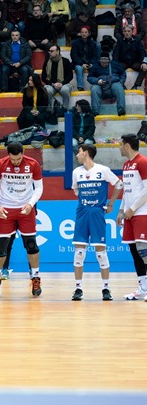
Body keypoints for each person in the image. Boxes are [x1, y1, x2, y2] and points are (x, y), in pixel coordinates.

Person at [0, 142, 44, 298]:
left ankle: (35, 277)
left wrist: (30, 204)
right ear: (8, 155)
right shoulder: (0, 164)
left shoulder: (32, 164)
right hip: (6, 209)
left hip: (25, 209)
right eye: (13, 159)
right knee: (1, 247)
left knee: (31, 244)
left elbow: (39, 188)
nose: (16, 162)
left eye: (18, 159)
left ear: (23, 153)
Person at [71, 144, 122, 301]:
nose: (77, 155)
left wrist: (111, 204)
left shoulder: (102, 170)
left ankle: (106, 288)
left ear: (86, 153)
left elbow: (119, 185)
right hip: (82, 212)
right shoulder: (76, 172)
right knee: (79, 253)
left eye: (79, 153)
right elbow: (76, 191)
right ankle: (78, 288)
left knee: (101, 253)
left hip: (97, 213)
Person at [116, 134, 147, 301]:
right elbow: (127, 191)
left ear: (127, 146)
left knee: (144, 251)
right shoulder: (126, 165)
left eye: (121, 144)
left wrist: (133, 209)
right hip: (129, 214)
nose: (119, 147)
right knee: (134, 252)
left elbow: (146, 190)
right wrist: (122, 210)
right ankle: (143, 288)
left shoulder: (142, 162)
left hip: (142, 213)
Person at [87, 52, 126, 116]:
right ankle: (95, 111)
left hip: (114, 83)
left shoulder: (115, 65)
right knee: (94, 89)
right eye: (102, 62)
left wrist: (121, 82)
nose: (104, 64)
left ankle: (121, 109)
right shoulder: (95, 66)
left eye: (106, 62)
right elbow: (89, 77)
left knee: (119, 88)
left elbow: (123, 73)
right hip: (100, 85)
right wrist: (97, 81)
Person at [113, 25, 147, 90]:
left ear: (132, 32)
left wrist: (144, 62)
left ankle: (136, 85)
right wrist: (115, 64)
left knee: (144, 67)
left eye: (128, 31)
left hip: (135, 62)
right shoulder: (120, 41)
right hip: (123, 62)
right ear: (123, 32)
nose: (127, 33)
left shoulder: (137, 40)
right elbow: (115, 54)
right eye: (125, 31)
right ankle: (122, 85)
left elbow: (143, 53)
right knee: (115, 69)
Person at [42, 45, 73, 115]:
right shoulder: (47, 62)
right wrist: (52, 84)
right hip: (51, 84)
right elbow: (43, 77)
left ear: (58, 52)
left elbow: (70, 76)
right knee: (47, 90)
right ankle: (49, 110)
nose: (50, 52)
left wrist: (61, 83)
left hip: (63, 84)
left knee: (65, 90)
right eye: (49, 51)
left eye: (52, 51)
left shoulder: (66, 61)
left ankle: (65, 108)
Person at [70, 26, 99, 91]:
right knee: (79, 68)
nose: (84, 34)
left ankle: (95, 85)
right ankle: (80, 87)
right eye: (82, 32)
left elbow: (95, 56)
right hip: (79, 63)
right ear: (80, 33)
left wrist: (91, 63)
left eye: (86, 32)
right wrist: (81, 64)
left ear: (89, 33)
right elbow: (74, 56)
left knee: (95, 67)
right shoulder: (75, 43)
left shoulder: (93, 43)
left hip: (90, 63)